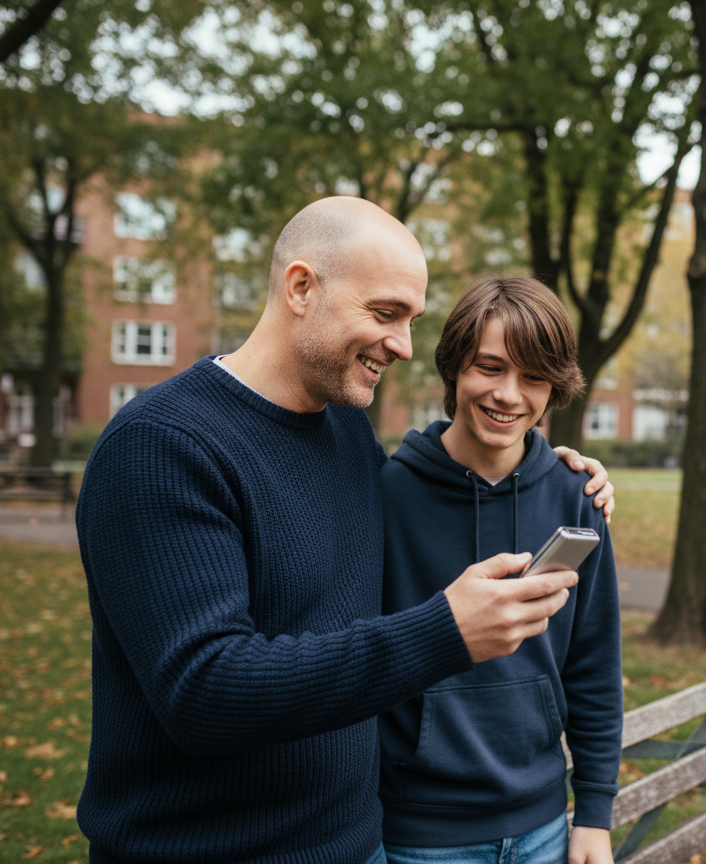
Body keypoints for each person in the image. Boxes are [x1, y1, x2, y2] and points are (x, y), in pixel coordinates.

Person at [74, 197, 614, 864]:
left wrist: (552, 470)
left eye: (412, 320)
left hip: (358, 844)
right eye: (385, 313)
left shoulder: (347, 432)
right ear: (301, 287)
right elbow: (204, 691)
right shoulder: (161, 447)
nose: (405, 345)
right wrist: (444, 632)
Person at [377, 276, 622, 864]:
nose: (509, 395)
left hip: (543, 827)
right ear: (456, 368)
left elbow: (594, 666)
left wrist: (593, 813)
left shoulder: (577, 498)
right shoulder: (385, 496)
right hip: (421, 833)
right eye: (490, 368)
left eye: (534, 376)